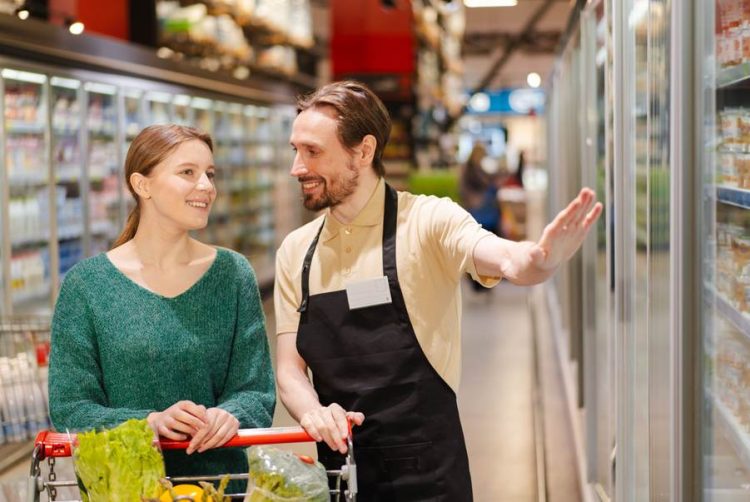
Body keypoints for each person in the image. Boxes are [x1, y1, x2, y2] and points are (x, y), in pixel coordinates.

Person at [274, 81, 601, 501]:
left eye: (312, 151)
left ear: (363, 151)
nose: (296, 167)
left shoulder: (427, 221)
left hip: (429, 478)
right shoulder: (296, 251)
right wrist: (314, 413)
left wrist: (538, 261)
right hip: (339, 476)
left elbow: (501, 256)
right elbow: (289, 369)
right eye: (294, 150)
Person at [48, 124, 275, 490]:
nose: (206, 186)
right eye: (188, 172)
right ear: (143, 185)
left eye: (209, 174)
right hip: (124, 489)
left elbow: (256, 390)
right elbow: (70, 408)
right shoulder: (86, 286)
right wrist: (147, 424)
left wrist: (229, 415)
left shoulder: (233, 274)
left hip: (216, 486)